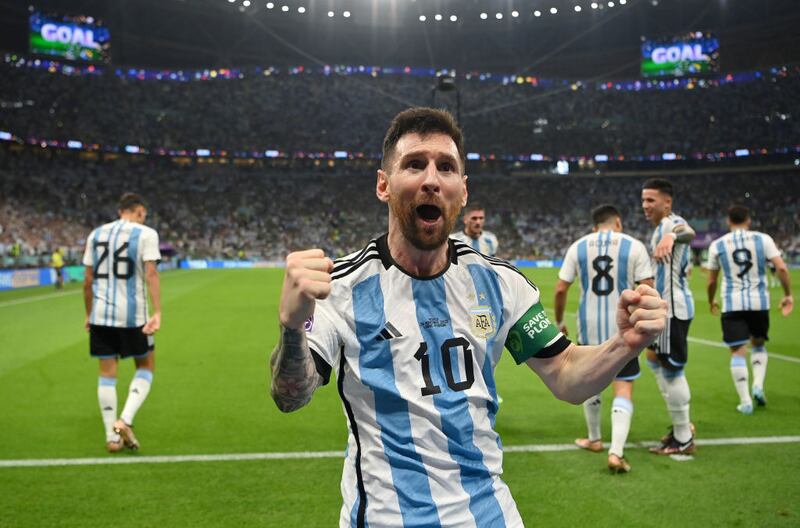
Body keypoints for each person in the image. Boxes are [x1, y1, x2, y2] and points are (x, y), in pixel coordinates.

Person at [270, 107, 667, 527]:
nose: (431, 179)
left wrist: (624, 343)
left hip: (490, 514)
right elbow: (290, 395)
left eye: (446, 167)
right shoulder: (343, 287)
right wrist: (292, 325)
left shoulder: (499, 283)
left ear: (462, 189)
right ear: (383, 185)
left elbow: (566, 374)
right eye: (414, 164)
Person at [554, 204, 654, 473]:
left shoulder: (579, 246)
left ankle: (595, 438)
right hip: (623, 329)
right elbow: (647, 289)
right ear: (618, 222)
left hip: (588, 326)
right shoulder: (633, 246)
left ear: (594, 225)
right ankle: (616, 452)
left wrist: (560, 321)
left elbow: (561, 288)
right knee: (623, 386)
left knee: (591, 381)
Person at [82, 192, 161, 453]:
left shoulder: (96, 234)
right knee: (146, 365)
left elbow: (87, 280)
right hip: (133, 317)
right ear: (138, 212)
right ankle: (124, 420)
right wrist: (157, 311)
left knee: (106, 374)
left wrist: (89, 313)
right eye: (144, 215)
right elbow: (151, 273)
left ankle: (111, 437)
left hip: (101, 315)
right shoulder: (146, 234)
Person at [706, 205, 793, 413]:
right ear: (749, 220)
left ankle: (745, 401)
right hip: (759, 303)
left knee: (737, 350)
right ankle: (758, 385)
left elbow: (711, 281)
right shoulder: (763, 239)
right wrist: (788, 294)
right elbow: (781, 267)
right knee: (759, 344)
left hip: (732, 303)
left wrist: (711, 300)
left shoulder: (717, 245)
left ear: (728, 221)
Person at [641, 178, 697, 455]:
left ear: (667, 202)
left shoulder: (671, 223)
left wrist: (672, 235)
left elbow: (687, 230)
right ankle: (681, 425)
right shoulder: (659, 228)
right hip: (665, 308)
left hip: (673, 310)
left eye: (651, 200)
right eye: (643, 200)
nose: (645, 206)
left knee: (672, 370)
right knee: (653, 359)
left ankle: (684, 437)